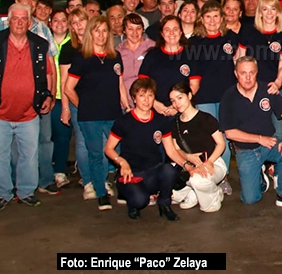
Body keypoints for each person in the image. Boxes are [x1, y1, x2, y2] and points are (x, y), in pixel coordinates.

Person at [0, 3, 55, 211]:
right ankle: (2, 194)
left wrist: (49, 95)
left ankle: (26, 192)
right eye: (15, 19)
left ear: (30, 22)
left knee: (29, 156)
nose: (20, 23)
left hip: (29, 114)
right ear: (8, 21)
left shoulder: (40, 44)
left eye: (24, 19)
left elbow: (48, 72)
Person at [63, 16, 130, 210]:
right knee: (96, 155)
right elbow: (69, 88)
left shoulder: (114, 56)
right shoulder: (82, 58)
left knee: (117, 152)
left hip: (113, 113)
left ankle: (123, 188)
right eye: (97, 30)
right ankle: (101, 193)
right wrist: (82, 106)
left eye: (104, 31)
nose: (100, 35)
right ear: (91, 33)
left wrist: (126, 106)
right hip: (90, 117)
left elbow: (120, 84)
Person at [219, 56, 282, 208]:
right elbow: (230, 133)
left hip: (269, 144)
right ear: (236, 74)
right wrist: (260, 139)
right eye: (243, 73)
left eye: (251, 73)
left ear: (257, 72)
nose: (248, 77)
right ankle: (259, 176)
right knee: (250, 199)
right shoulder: (228, 97)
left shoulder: (267, 89)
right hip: (246, 151)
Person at [104, 78, 185, 221]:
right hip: (131, 173)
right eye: (142, 96)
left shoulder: (160, 121)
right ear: (134, 99)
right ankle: (131, 200)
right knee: (140, 201)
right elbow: (109, 149)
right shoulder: (124, 122)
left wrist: (187, 166)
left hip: (152, 171)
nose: (146, 100)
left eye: (150, 96)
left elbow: (171, 151)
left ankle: (164, 204)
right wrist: (122, 162)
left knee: (169, 170)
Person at [189, 0, 237, 189]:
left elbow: (240, 61)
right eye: (207, 16)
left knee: (224, 137)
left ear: (222, 18)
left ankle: (222, 177)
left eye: (215, 16)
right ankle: (208, 175)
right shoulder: (194, 42)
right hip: (205, 97)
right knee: (210, 138)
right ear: (201, 19)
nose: (211, 20)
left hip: (227, 96)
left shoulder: (231, 37)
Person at [59, 8, 101, 200]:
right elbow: (64, 81)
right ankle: (88, 182)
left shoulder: (99, 42)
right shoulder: (68, 49)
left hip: (100, 102)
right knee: (83, 143)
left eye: (81, 21)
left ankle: (99, 179)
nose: (78, 25)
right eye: (74, 23)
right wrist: (67, 107)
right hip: (78, 104)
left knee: (99, 143)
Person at [168, 82, 229, 213]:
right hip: (188, 164)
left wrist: (210, 162)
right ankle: (195, 192)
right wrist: (188, 157)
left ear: (189, 96)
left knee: (199, 182)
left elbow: (221, 143)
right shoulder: (175, 124)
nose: (176, 103)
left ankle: (215, 195)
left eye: (180, 98)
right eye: (173, 101)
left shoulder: (206, 119)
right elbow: (176, 149)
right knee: (169, 188)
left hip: (212, 163)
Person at [238, 0, 282, 119]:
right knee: (254, 130)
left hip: (276, 90)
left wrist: (277, 83)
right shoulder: (248, 32)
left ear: (278, 12)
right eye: (265, 9)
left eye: (273, 9)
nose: (269, 13)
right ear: (260, 12)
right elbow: (239, 60)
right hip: (251, 90)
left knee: (278, 134)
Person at [139, 15, 200, 117]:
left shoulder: (190, 55)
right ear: (162, 34)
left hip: (182, 111)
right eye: (167, 30)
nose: (171, 33)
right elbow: (142, 84)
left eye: (175, 29)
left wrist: (177, 105)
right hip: (155, 109)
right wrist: (154, 103)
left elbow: (194, 85)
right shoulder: (152, 55)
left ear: (181, 32)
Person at [49, 9, 73, 189]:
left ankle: (60, 170)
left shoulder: (73, 43)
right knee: (45, 138)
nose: (59, 24)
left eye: (63, 20)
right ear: (50, 23)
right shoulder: (44, 41)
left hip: (66, 97)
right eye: (55, 20)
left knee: (63, 136)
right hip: (49, 96)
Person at [117, 13, 155, 106]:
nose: (135, 32)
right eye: (130, 29)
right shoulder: (117, 52)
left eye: (138, 28)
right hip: (125, 104)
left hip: (149, 103)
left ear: (143, 29)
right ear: (124, 30)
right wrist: (126, 106)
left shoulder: (153, 48)